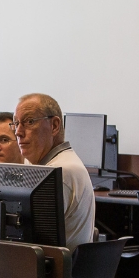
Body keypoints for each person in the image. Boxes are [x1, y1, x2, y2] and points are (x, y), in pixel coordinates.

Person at [12, 93, 96, 250]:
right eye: (16, 124)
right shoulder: (49, 163)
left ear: (54, 126)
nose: (18, 132)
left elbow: (32, 240)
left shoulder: (60, 171)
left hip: (53, 272)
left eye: (29, 122)